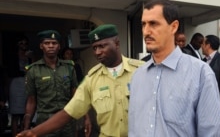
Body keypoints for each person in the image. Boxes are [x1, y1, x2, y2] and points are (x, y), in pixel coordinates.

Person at [16, 24, 144, 137]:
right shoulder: (91, 78)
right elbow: (69, 112)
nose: (97, 52)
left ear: (116, 43)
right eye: (94, 48)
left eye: (102, 46)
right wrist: (33, 132)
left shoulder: (142, 71)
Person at [128, 0, 220, 137]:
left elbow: (212, 132)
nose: (146, 31)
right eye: (143, 24)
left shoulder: (200, 73)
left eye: (153, 24)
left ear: (173, 27)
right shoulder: (138, 76)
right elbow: (134, 128)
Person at [22, 30, 78, 137]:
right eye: (47, 43)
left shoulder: (69, 67)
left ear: (59, 46)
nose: (51, 46)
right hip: (45, 122)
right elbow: (31, 101)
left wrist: (86, 118)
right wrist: (26, 127)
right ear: (41, 46)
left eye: (54, 43)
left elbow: (76, 95)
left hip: (67, 121)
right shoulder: (33, 70)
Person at [201, 34, 220, 120]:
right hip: (205, 103)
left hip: (218, 104)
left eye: (203, 43)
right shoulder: (203, 61)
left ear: (208, 45)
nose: (201, 46)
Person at [7, 35, 33, 137]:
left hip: (27, 83)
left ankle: (23, 134)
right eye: (21, 43)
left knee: (25, 112)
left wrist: (31, 57)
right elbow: (10, 71)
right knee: (15, 113)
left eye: (25, 43)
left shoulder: (30, 55)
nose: (23, 45)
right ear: (17, 44)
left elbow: (34, 68)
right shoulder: (13, 56)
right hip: (16, 83)